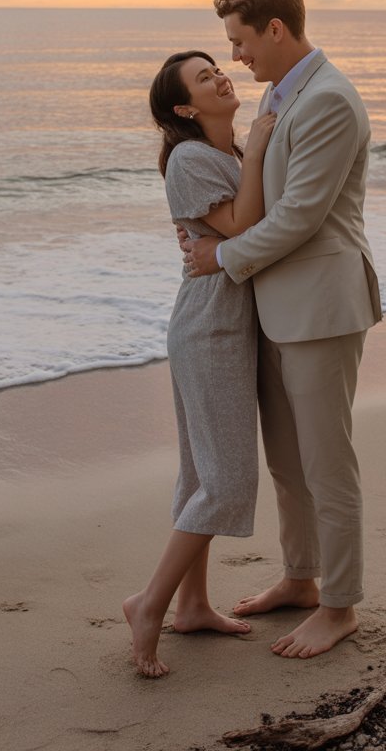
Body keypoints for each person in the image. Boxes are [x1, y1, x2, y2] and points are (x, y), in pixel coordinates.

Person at [181, 0, 382, 659]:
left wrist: (223, 257)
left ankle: (340, 604)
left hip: (322, 307)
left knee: (329, 464)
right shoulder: (281, 93)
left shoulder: (329, 100)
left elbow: (299, 217)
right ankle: (301, 579)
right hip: (277, 308)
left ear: (276, 28)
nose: (234, 57)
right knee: (290, 465)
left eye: (239, 41)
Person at [123, 50, 276, 677]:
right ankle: (150, 603)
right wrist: (263, 146)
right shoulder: (192, 158)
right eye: (202, 76)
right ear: (184, 107)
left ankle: (192, 605)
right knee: (227, 479)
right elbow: (242, 222)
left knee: (201, 473)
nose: (219, 75)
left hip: (221, 325)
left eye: (217, 65)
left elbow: (236, 232)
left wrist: (252, 155)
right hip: (208, 327)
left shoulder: (225, 155)